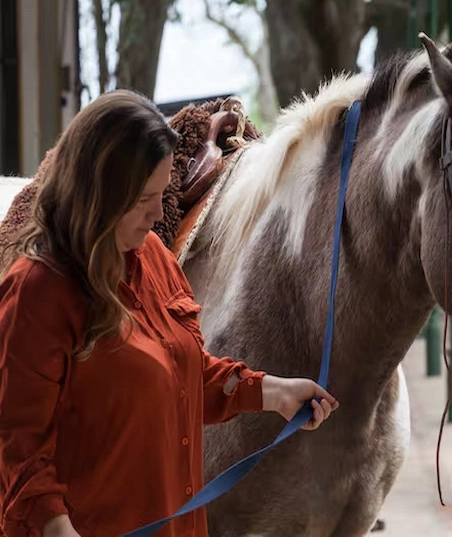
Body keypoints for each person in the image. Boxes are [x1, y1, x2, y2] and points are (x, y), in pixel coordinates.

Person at [0, 90, 339, 537]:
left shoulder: (154, 256)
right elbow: (16, 450)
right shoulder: (36, 292)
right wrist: (58, 530)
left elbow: (186, 376)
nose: (158, 213)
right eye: (144, 200)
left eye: (161, 195)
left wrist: (273, 393)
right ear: (97, 193)